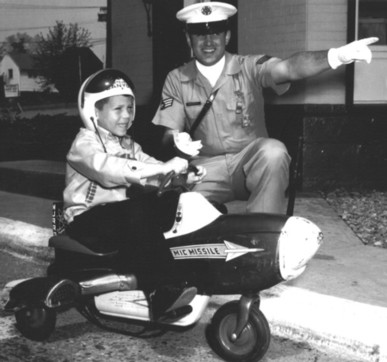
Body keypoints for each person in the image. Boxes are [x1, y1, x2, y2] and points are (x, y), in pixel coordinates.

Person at [152, 1, 378, 214]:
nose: (208, 41)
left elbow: (288, 68)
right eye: (200, 34)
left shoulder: (250, 67)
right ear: (188, 39)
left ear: (227, 35)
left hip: (251, 164)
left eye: (216, 33)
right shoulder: (176, 79)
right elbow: (167, 132)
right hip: (204, 170)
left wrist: (335, 56)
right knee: (182, 217)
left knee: (274, 152)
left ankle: (262, 231)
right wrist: (176, 140)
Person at [63, 68, 206, 321]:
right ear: (94, 111)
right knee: (139, 210)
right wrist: (162, 168)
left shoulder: (130, 145)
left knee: (177, 203)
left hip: (121, 216)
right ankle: (160, 291)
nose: (126, 116)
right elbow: (108, 169)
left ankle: (194, 268)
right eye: (118, 109)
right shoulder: (84, 144)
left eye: (130, 109)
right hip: (86, 219)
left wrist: (184, 175)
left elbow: (152, 169)